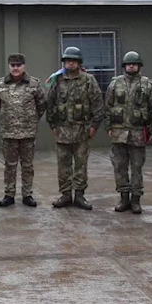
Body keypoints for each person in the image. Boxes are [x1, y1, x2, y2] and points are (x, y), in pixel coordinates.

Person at [46, 47, 104, 210]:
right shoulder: (57, 80)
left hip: (82, 131)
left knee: (81, 165)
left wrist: (94, 126)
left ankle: (79, 195)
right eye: (67, 60)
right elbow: (50, 104)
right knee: (63, 166)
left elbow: (98, 103)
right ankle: (65, 195)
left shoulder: (88, 80)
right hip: (62, 130)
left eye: (73, 60)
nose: (70, 63)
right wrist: (52, 125)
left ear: (79, 62)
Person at [104, 51, 152, 214]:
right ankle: (123, 198)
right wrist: (108, 127)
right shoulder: (115, 84)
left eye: (134, 63)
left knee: (136, 168)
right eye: (129, 64)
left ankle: (135, 200)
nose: (131, 66)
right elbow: (108, 106)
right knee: (119, 167)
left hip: (138, 133)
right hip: (119, 133)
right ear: (124, 66)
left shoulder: (148, 85)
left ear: (139, 66)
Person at [0, 53, 46, 208]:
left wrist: (31, 120)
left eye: (18, 65)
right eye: (12, 65)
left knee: (27, 166)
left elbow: (41, 105)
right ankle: (9, 194)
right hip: (8, 133)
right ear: (9, 66)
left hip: (28, 133)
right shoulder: (1, 84)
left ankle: (27, 194)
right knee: (10, 165)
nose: (15, 68)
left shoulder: (34, 84)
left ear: (24, 66)